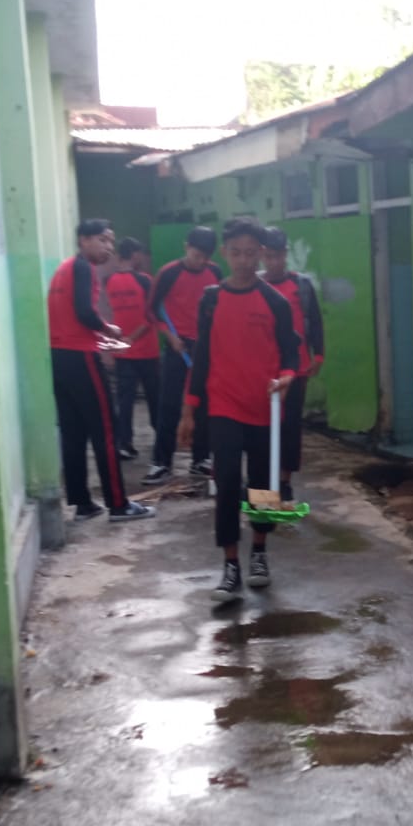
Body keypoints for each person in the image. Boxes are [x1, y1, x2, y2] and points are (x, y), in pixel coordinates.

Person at [177, 218, 299, 605]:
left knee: (262, 486)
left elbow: (290, 354)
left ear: (261, 253)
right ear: (225, 254)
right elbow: (201, 357)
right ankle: (230, 565)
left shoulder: (276, 303)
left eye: (250, 253)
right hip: (224, 406)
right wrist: (189, 410)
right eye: (236, 253)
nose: (244, 261)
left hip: (264, 408)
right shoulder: (212, 299)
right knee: (227, 482)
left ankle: (259, 551)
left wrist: (286, 378)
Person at [47, 219, 155, 523]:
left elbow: (69, 316)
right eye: (103, 240)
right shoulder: (82, 268)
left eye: (111, 241)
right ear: (84, 240)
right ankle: (118, 504)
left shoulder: (63, 268)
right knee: (106, 428)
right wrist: (109, 329)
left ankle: (82, 503)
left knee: (73, 431)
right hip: (81, 358)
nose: (109, 247)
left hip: (59, 356)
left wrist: (98, 335)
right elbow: (84, 312)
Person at [145, 227, 223, 485]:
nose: (201, 261)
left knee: (203, 404)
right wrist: (170, 337)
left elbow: (220, 309)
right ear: (186, 246)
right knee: (168, 405)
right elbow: (151, 310)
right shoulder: (169, 273)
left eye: (205, 257)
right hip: (177, 346)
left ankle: (201, 459)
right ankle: (161, 462)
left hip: (204, 347)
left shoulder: (215, 273)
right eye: (197, 254)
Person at [260, 226, 325, 503]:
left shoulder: (301, 285)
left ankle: (284, 482)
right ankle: (264, 485)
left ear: (285, 254)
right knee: (261, 427)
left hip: (297, 369)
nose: (274, 262)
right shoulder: (255, 286)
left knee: (290, 426)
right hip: (262, 370)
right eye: (269, 256)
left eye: (278, 256)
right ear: (262, 255)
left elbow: (316, 321)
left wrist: (318, 355)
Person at [105, 237, 160, 461]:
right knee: (154, 397)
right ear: (135, 254)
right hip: (146, 350)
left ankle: (124, 443)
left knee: (125, 400)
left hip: (122, 352)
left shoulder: (110, 281)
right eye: (141, 254)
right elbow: (151, 316)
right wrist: (132, 338)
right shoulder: (145, 280)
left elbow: (113, 315)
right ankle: (161, 440)